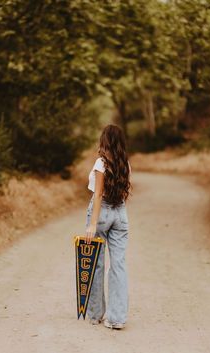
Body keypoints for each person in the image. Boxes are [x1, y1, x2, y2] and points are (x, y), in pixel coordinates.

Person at [85, 124, 132, 330]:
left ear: (105, 140)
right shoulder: (125, 163)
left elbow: (98, 194)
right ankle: (116, 318)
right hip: (120, 213)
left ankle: (96, 314)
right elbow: (122, 193)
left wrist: (92, 224)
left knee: (97, 264)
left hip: (102, 212)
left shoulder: (101, 162)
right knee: (118, 265)